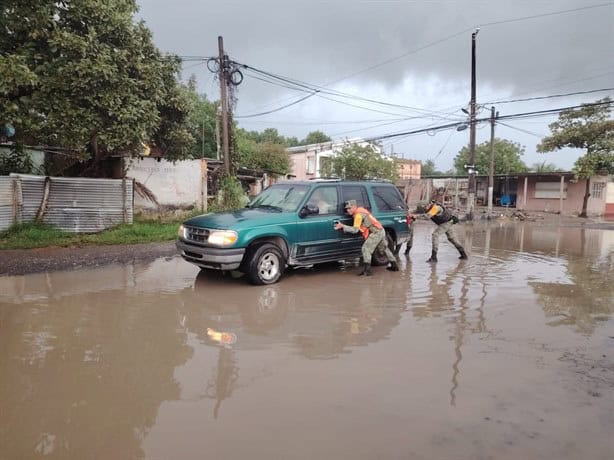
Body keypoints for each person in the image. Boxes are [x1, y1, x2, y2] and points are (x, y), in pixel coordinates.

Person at [334, 200, 399, 276]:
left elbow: (355, 230)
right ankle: (394, 266)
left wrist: (343, 226)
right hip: (381, 230)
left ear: (355, 207)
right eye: (347, 209)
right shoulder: (362, 211)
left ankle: (367, 271)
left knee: (366, 249)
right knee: (384, 249)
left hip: (376, 233)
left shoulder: (358, 215)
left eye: (350, 208)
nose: (348, 210)